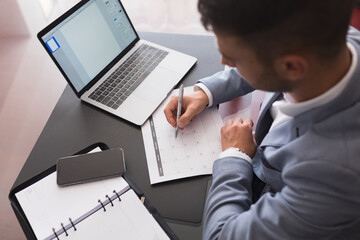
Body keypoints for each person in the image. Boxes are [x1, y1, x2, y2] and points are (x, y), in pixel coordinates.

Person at [163, 0, 360, 239]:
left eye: (232, 58)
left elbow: (220, 235)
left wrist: (234, 156)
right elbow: (267, 60)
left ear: (292, 67)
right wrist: (206, 92)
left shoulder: (330, 179)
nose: (225, 63)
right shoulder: (336, 40)